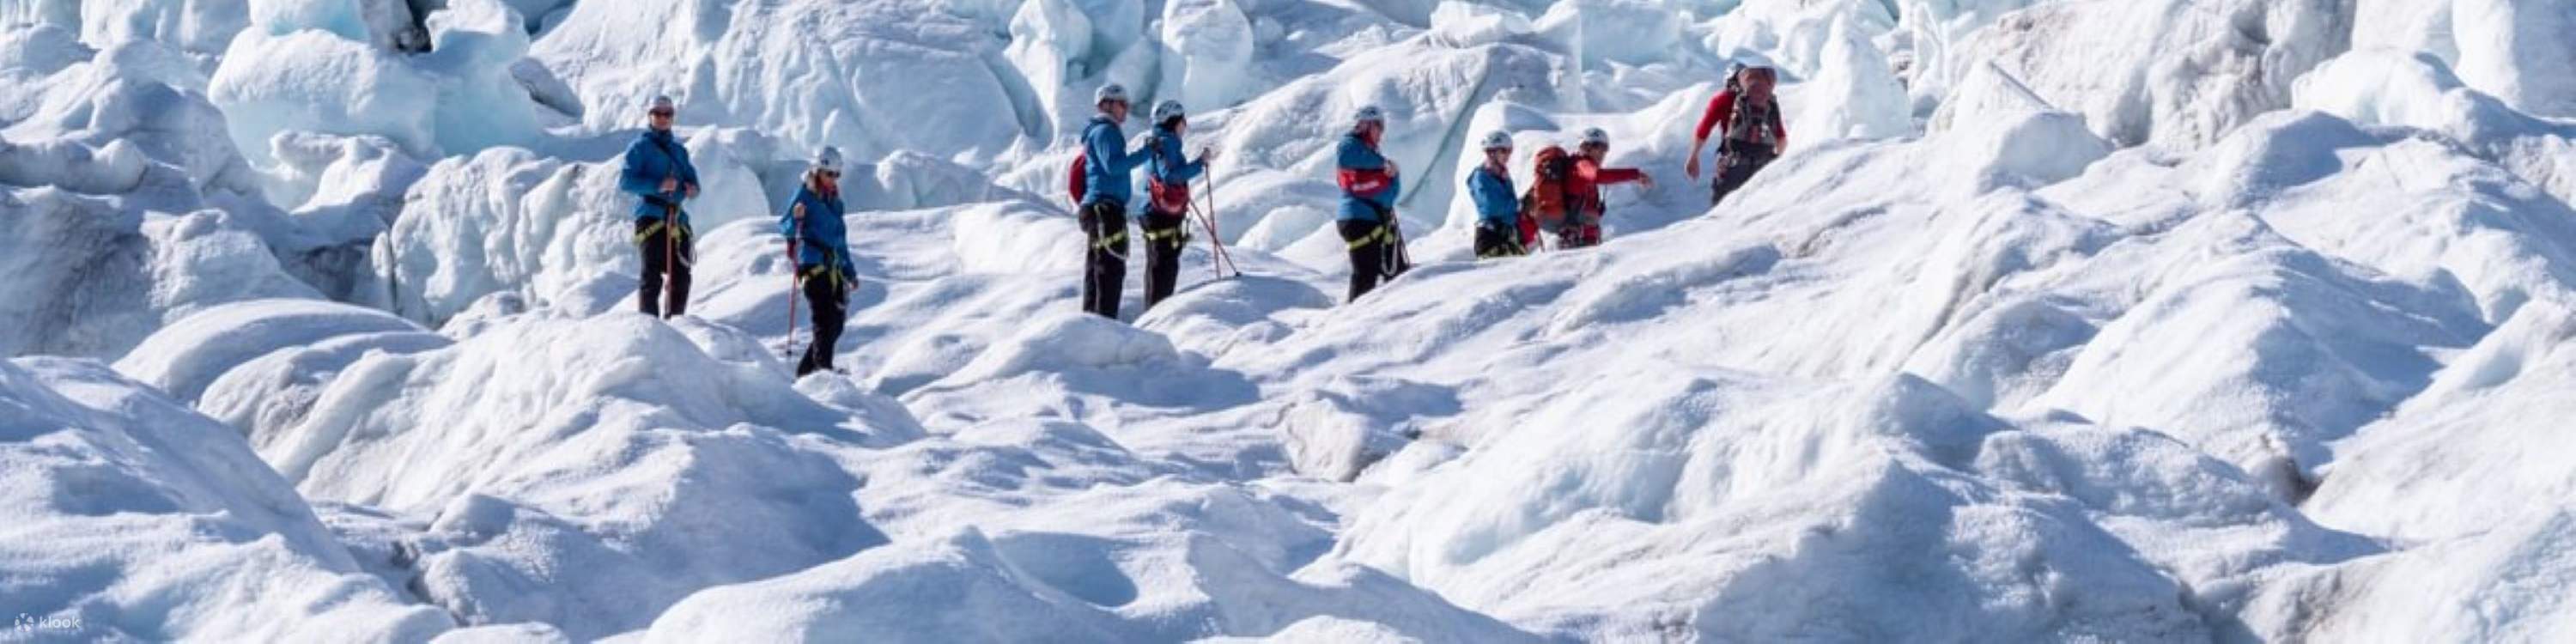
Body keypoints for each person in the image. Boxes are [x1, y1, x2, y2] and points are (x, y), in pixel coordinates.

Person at [620, 94, 701, 318]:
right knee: (651, 276)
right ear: (650, 116)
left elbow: (694, 181)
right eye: (658, 114)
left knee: (681, 276)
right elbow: (626, 181)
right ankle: (649, 325)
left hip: (676, 219)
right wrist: (658, 185)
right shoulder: (640, 148)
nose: (663, 118)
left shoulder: (679, 151)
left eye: (668, 114)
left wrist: (691, 188)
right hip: (650, 216)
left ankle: (676, 322)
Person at [781, 148, 857, 377]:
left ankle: (806, 372)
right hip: (812, 263)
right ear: (817, 171)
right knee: (824, 317)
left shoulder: (835, 203)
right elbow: (786, 226)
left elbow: (840, 242)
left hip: (832, 265)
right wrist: (796, 217)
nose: (833, 179)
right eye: (828, 173)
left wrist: (849, 271)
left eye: (836, 175)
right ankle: (824, 370)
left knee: (836, 322)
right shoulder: (804, 195)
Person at [1078, 83, 1151, 319]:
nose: (1126, 109)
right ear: (1106, 105)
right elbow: (1114, 166)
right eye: (1121, 104)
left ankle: (1092, 322)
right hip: (1105, 210)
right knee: (1110, 268)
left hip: (1100, 209)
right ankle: (1105, 324)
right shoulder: (1106, 132)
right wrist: (1146, 153)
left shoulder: (1098, 132)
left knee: (1097, 269)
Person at [1142, 100, 1216, 310]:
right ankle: (1158, 318)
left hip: (1152, 211)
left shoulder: (1157, 141)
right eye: (1183, 120)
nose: (1185, 125)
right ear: (1175, 121)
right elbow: (1170, 176)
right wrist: (1199, 163)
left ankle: (1151, 314)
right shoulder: (1167, 142)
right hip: (1161, 215)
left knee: (1155, 269)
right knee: (1164, 271)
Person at [1335, 105, 1409, 302]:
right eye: (1379, 126)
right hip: (1360, 219)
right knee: (1366, 276)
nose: (1381, 133)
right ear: (1365, 125)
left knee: (1394, 273)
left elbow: (1390, 194)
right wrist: (1386, 167)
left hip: (1374, 220)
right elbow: (1347, 156)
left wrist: (1393, 175)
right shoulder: (1350, 145)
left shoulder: (1371, 157)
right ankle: (1353, 323)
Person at [1686, 65, 1787, 206]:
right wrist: (1773, 159)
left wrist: (1694, 155)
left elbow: (1704, 128)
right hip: (1764, 162)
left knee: (1722, 208)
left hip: (1734, 162)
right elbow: (1781, 138)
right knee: (1757, 209)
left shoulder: (1723, 98)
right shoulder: (1767, 101)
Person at [1561, 127, 1651, 249]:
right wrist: (1635, 174)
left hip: (1578, 237)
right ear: (1587, 147)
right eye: (1600, 147)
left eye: (1605, 148)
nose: (1603, 153)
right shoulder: (1583, 165)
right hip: (1577, 238)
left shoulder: (1577, 165)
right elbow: (1598, 175)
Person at [1464, 131, 1525, 258]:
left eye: (1509, 151)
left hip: (1507, 236)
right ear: (1491, 152)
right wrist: (1517, 205)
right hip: (1491, 238)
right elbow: (1492, 206)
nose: (1508, 155)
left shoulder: (1502, 176)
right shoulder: (1480, 177)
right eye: (1504, 151)